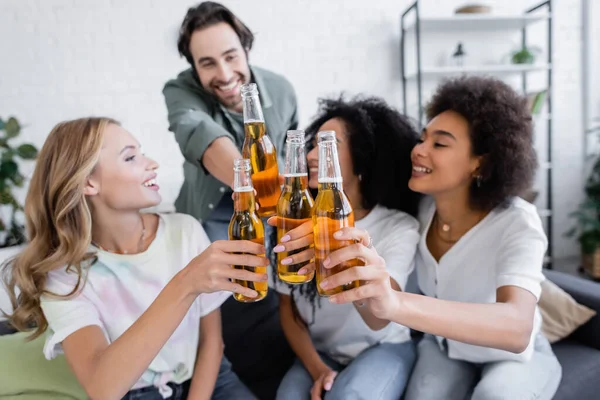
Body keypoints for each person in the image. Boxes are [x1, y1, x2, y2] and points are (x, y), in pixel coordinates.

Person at [284, 76, 561, 400]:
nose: (418, 151)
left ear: (481, 163)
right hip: (443, 347)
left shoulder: (518, 221)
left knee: (496, 396)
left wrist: (393, 301)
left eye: (439, 144)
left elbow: (516, 327)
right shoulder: (423, 208)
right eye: (422, 139)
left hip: (513, 355)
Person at [1, 117, 268, 399]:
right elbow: (103, 388)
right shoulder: (63, 276)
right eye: (130, 157)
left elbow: (212, 341)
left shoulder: (184, 230)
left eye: (142, 153)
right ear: (89, 182)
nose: (151, 163)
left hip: (210, 379)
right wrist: (185, 284)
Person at [163, 3, 299, 396]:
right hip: (210, 225)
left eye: (230, 57)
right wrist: (258, 191)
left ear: (245, 48)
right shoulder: (180, 91)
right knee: (218, 321)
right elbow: (202, 136)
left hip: (271, 226)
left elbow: (294, 158)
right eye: (206, 63)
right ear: (193, 66)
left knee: (272, 318)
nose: (223, 75)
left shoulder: (281, 90)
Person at [268, 96, 422, 400]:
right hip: (321, 352)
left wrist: (340, 255)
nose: (313, 155)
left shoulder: (399, 227)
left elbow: (380, 319)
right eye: (313, 144)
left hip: (383, 347)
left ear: (363, 160)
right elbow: (288, 310)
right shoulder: (296, 220)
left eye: (329, 145)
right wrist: (317, 369)